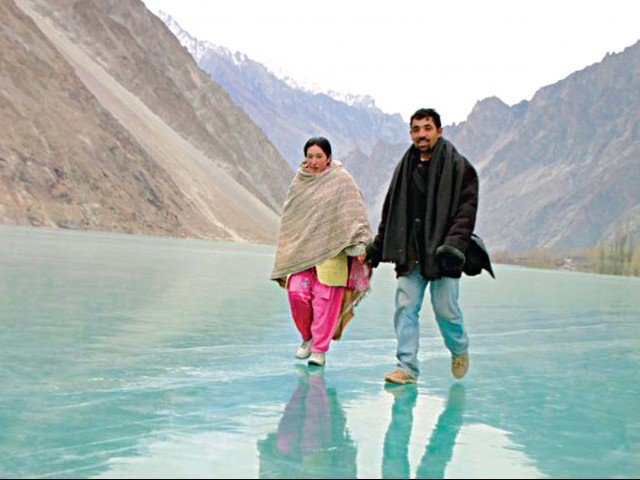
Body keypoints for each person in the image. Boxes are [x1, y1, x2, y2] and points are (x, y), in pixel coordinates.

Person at [367, 108, 479, 383]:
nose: (421, 134)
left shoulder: (460, 168)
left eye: (427, 128)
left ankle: (459, 348)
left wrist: (454, 245)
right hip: (411, 251)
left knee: (446, 311)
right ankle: (406, 368)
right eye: (416, 129)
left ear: (439, 131)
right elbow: (390, 211)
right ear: (411, 134)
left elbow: (466, 212)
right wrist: (376, 249)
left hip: (444, 256)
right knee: (405, 307)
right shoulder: (404, 168)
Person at [271, 137, 373, 367]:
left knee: (324, 303)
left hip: (332, 253)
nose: (314, 161)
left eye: (319, 156)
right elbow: (292, 217)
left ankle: (319, 349)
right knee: (296, 293)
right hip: (303, 252)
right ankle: (307, 338)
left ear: (328, 157)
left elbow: (354, 211)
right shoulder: (300, 181)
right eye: (310, 156)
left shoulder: (341, 179)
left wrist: (360, 244)